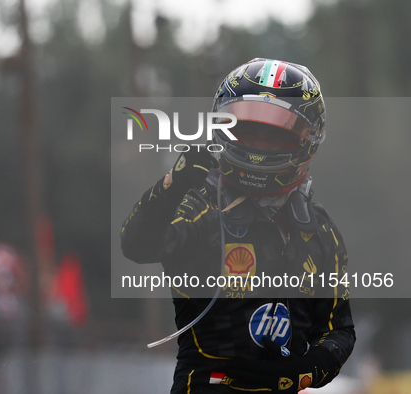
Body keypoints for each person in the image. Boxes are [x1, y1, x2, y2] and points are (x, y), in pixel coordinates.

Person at [120, 58, 355, 393]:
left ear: (307, 139)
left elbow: (339, 331)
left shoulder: (321, 231)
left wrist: (300, 371)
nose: (258, 145)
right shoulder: (201, 203)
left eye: (274, 135)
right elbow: (137, 245)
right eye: (248, 131)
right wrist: (170, 186)